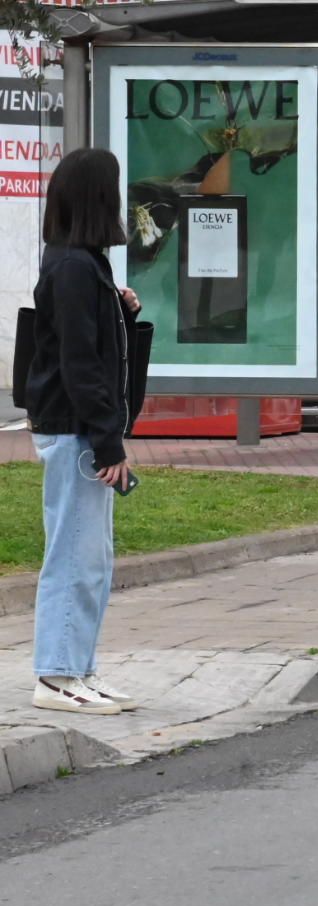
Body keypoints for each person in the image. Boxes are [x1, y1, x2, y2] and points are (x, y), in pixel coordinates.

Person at [25, 148, 144, 714]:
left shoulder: (83, 262)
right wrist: (107, 440)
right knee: (74, 556)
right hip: (75, 431)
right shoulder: (74, 267)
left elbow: (91, 343)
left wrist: (120, 307)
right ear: (101, 197)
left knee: (92, 559)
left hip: (80, 429)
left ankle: (78, 667)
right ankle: (55, 675)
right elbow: (79, 362)